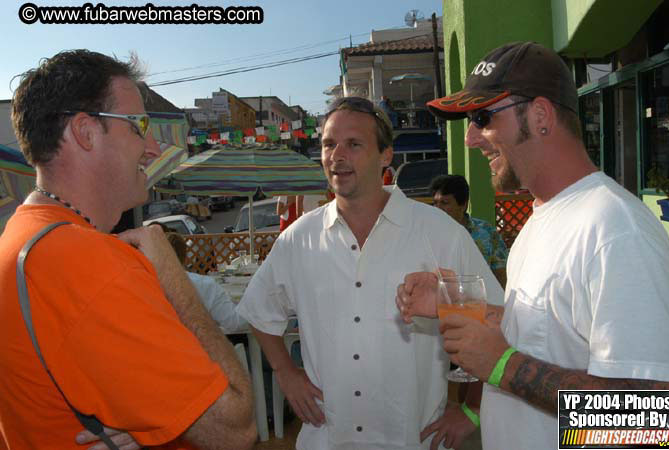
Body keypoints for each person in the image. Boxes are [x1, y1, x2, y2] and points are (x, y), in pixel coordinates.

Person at [398, 41, 669, 450]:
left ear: (541, 115)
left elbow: (651, 423)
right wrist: (457, 303)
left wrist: (501, 366)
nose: (471, 139)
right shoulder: (540, 218)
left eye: (482, 117)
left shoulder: (615, 228)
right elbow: (552, 333)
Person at [0, 50, 256, 449]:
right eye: (139, 127)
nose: (152, 148)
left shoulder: (18, 238)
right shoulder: (91, 261)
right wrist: (174, 279)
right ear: (85, 132)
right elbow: (237, 429)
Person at [236, 96, 503, 450]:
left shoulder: (441, 233)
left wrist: (471, 410)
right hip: (327, 439)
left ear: (386, 156)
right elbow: (259, 311)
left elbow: (492, 323)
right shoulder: (298, 239)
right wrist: (285, 372)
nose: (337, 155)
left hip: (413, 438)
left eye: (354, 144)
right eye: (329, 144)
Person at [430, 174, 508, 288]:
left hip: (482, 301)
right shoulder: (429, 234)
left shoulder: (485, 232)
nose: (437, 208)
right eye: (435, 203)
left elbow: (500, 272)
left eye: (444, 203)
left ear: (463, 205)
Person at [166, 232, 248, 334]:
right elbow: (235, 323)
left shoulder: (148, 286)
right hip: (200, 346)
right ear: (185, 257)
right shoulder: (204, 285)